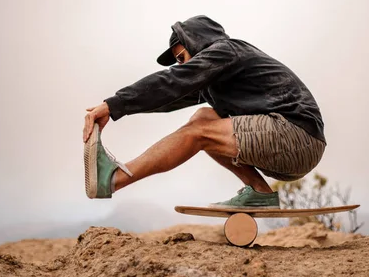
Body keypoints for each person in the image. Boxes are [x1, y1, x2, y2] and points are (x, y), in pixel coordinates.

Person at [82, 15, 326, 209]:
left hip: (297, 135)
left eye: (182, 57)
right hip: (291, 146)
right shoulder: (217, 77)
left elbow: (172, 82)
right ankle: (260, 193)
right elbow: (167, 96)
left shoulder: (225, 51)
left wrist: (113, 104)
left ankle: (114, 179)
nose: (182, 66)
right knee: (204, 117)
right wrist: (118, 109)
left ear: (197, 42)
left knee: (199, 132)